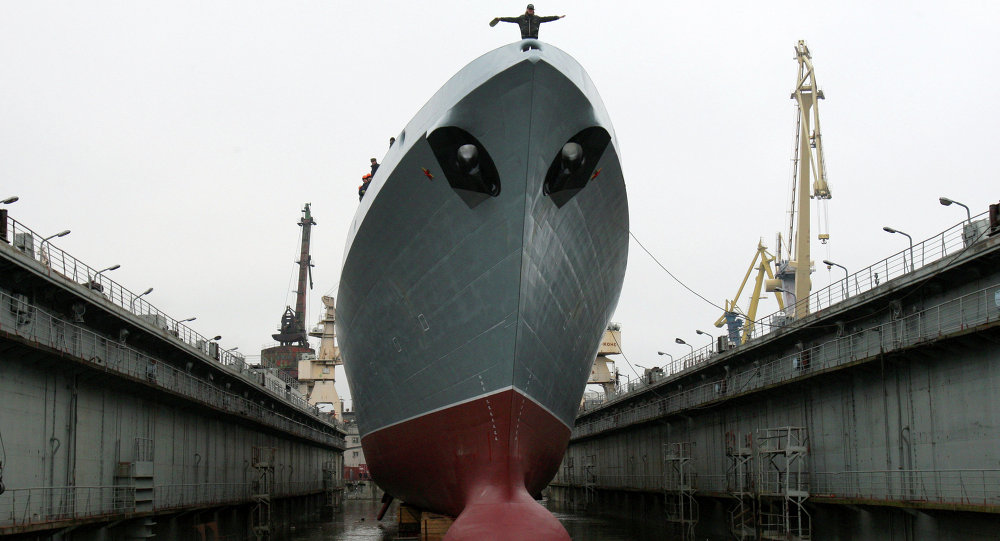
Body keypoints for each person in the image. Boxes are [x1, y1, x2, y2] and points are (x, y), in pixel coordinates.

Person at [491, 4, 564, 39]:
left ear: (533, 10)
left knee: (534, 52)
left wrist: (557, 17)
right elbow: (511, 19)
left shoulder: (537, 18)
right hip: (525, 38)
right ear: (527, 9)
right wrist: (500, 19)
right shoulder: (521, 18)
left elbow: (547, 18)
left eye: (531, 9)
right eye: (529, 9)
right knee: (525, 51)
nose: (530, 10)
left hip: (534, 38)